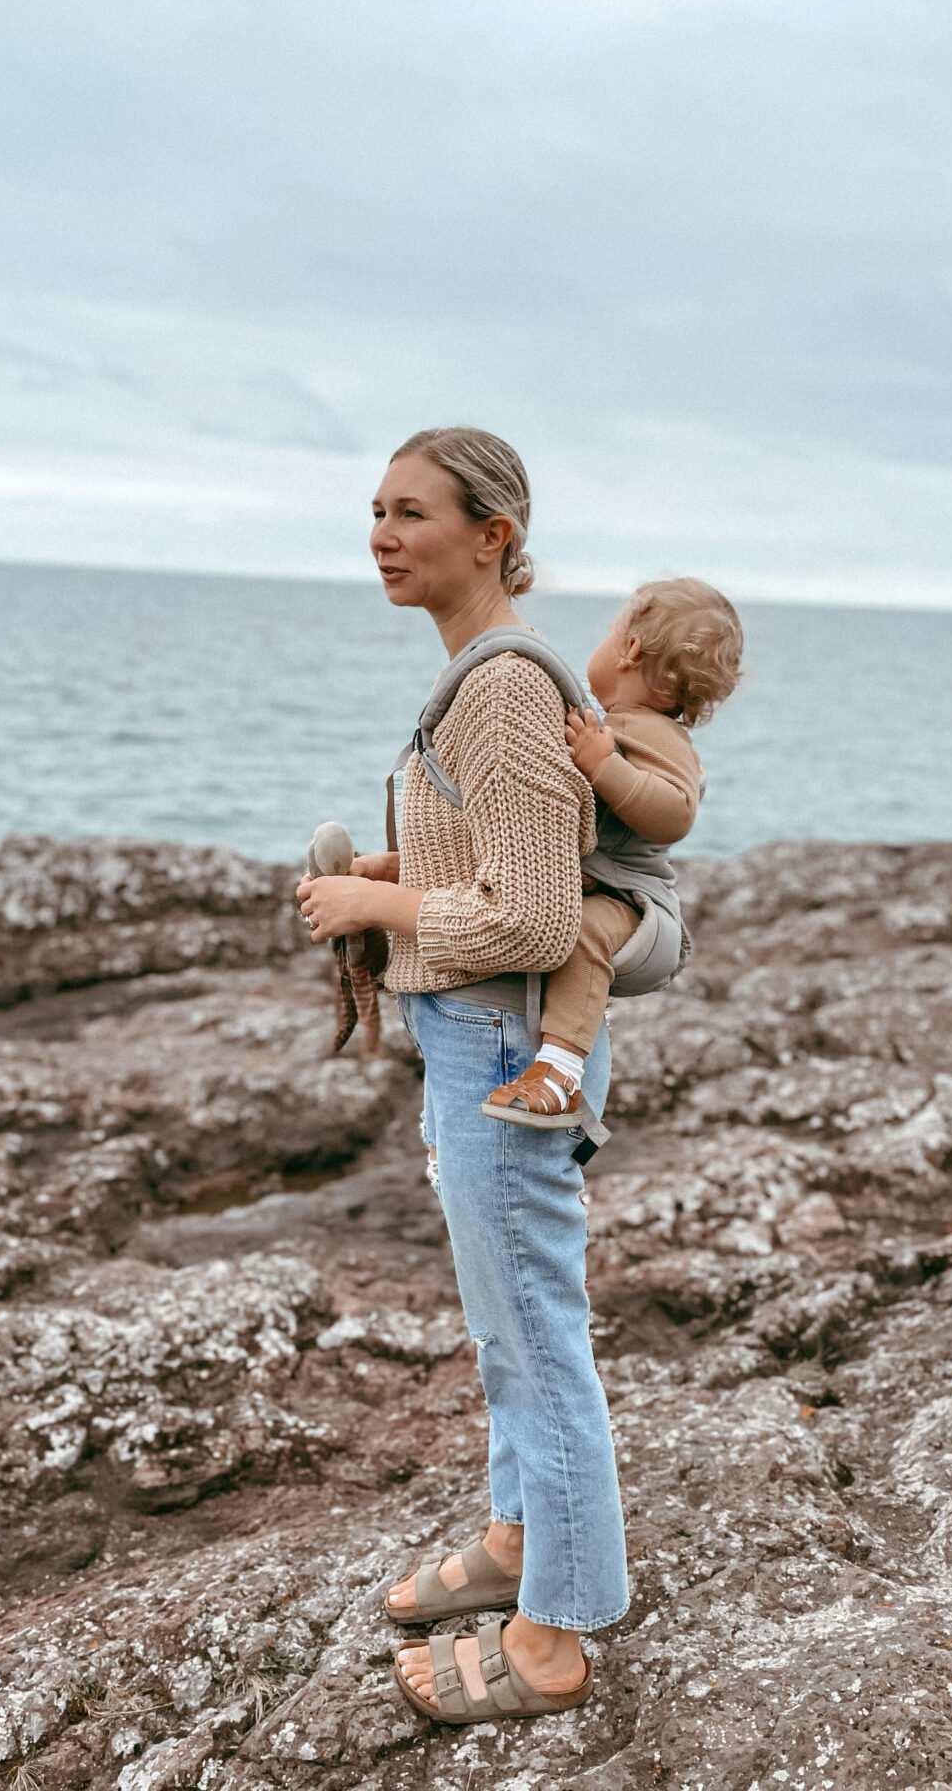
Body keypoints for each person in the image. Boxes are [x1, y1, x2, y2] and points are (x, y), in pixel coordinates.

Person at [296, 425, 622, 1725]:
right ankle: (516, 1535)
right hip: (468, 1046)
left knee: (539, 1340)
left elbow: (536, 920)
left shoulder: (497, 688)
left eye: (411, 511)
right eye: (373, 509)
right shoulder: (475, 679)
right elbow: (494, 868)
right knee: (506, 1328)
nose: (381, 531)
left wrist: (378, 914)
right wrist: (391, 881)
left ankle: (558, 1630)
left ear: (493, 535)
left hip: (495, 1048)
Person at [483, 578, 742, 1131]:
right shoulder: (612, 726)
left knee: (581, 933)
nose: (599, 645)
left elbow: (677, 812)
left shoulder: (660, 736)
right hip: (601, 890)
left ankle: (557, 1073)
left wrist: (604, 766)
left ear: (628, 650)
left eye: (609, 633)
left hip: (634, 907)